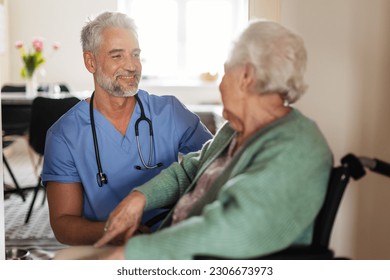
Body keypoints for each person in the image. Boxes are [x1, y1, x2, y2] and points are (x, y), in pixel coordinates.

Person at [90, 19, 334, 260]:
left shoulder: (297, 148)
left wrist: (134, 255)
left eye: (226, 72)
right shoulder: (235, 131)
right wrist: (140, 197)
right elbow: (189, 172)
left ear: (246, 76)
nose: (220, 84)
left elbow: (234, 229)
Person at [42, 11, 213, 245]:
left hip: (171, 240)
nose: (131, 66)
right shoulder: (64, 135)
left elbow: (220, 161)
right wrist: (116, 231)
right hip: (107, 247)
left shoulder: (170, 112)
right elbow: (63, 223)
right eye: (117, 56)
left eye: (135, 54)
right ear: (90, 61)